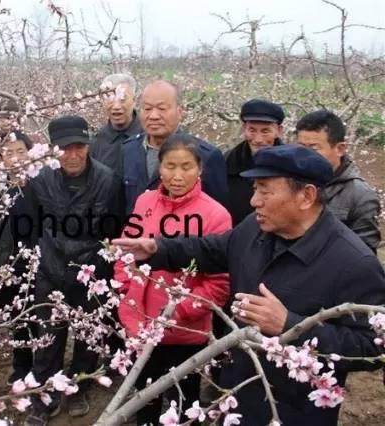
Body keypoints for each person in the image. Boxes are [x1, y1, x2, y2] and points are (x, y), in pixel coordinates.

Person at [113, 145, 385, 425]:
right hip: (238, 386)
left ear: (306, 196)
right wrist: (156, 249)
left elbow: (373, 349)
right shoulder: (255, 230)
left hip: (294, 408)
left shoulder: (353, 263)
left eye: (265, 191)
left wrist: (291, 324)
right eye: (255, 188)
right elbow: (212, 249)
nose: (254, 200)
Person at [114, 133, 232, 425]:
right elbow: (125, 256)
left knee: (184, 399)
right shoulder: (144, 202)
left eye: (186, 167)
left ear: (200, 169)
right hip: (140, 324)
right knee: (146, 397)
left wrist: (175, 315)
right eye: (169, 166)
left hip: (184, 330)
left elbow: (218, 285)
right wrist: (129, 305)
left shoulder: (215, 215)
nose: (177, 176)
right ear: (159, 166)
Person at [24, 116, 122, 425]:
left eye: (78, 146)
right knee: (48, 337)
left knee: (87, 335)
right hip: (50, 270)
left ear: (88, 146)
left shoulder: (108, 180)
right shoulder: (40, 179)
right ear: (53, 150)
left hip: (91, 273)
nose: (72, 154)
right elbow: (29, 224)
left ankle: (78, 386)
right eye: (64, 148)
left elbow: (116, 229)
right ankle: (46, 393)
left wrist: (100, 266)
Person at [0, 131, 36, 384]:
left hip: (37, 258)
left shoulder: (41, 182)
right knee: (15, 315)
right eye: (8, 153)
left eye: (21, 151)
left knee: (39, 311)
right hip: (5, 262)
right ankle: (21, 363)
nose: (15, 158)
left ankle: (42, 362)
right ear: (0, 158)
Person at [122, 80, 228, 214]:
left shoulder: (205, 155)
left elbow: (217, 213)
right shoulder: (129, 149)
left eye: (162, 109)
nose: (153, 116)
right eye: (147, 109)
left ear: (180, 111)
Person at [296, 109, 381, 252]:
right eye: (301, 148)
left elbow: (363, 257)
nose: (305, 156)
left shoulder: (361, 197)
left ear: (340, 149)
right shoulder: (290, 181)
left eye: (313, 149)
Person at [225, 99, 285, 225]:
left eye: (265, 131)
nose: (258, 140)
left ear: (279, 131)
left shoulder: (290, 166)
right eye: (252, 130)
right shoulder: (227, 162)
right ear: (244, 129)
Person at [90, 73, 143, 177]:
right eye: (110, 99)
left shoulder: (149, 136)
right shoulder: (96, 142)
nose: (116, 106)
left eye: (122, 99)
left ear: (134, 101)